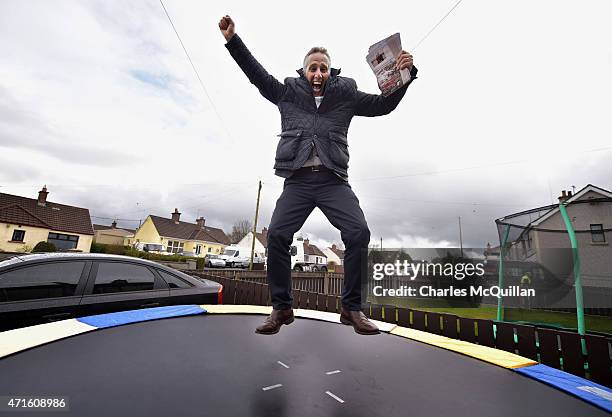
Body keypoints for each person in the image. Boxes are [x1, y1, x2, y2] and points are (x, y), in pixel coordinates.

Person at [219, 15, 417, 335]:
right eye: (313, 67)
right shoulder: (287, 92)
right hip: (297, 180)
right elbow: (257, 75)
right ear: (304, 71)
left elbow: (383, 106)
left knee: (358, 232)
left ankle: (351, 309)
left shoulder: (346, 93)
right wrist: (233, 40)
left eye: (323, 68)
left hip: (332, 181)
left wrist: (405, 76)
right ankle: (282, 308)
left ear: (330, 72)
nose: (318, 73)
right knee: (278, 236)